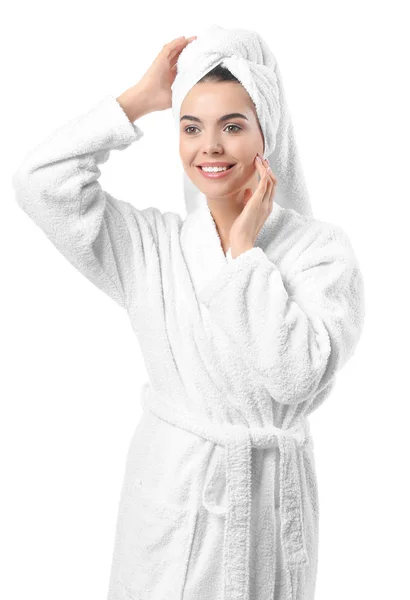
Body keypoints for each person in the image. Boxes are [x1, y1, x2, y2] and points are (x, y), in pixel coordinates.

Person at [12, 33, 365, 600]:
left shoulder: (321, 254)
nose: (211, 147)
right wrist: (137, 102)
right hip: (173, 506)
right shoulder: (153, 247)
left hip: (268, 514)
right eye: (191, 127)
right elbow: (39, 185)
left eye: (232, 126)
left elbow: (295, 376)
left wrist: (245, 258)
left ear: (265, 132)